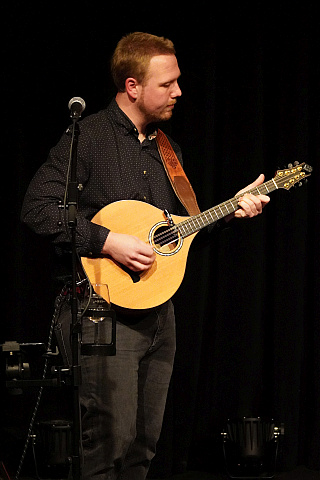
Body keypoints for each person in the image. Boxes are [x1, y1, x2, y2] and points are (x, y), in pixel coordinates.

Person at [21, 32, 270, 480]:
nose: (179, 91)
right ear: (132, 86)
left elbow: (177, 238)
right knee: (108, 445)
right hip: (102, 315)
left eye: (178, 81)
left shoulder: (169, 151)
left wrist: (232, 210)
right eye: (166, 84)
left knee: (143, 446)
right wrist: (106, 241)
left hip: (159, 316)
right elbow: (36, 209)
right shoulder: (89, 137)